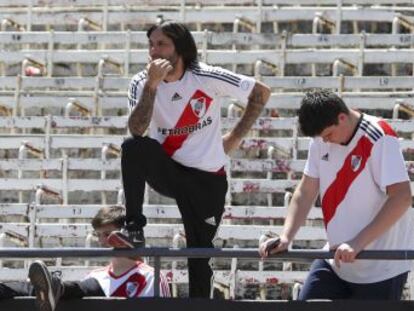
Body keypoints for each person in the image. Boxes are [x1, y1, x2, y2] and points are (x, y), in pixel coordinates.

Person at [117, 20, 270, 298]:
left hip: (206, 179)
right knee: (133, 148)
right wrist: (152, 86)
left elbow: (261, 91)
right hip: (170, 171)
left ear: (181, 48)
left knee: (199, 254)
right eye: (151, 45)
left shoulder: (205, 76)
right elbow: (137, 130)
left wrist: (234, 138)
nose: (154, 51)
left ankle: (199, 304)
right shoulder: (141, 82)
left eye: (162, 44)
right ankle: (135, 229)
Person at [259, 89, 413, 300]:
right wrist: (286, 236)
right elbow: (306, 191)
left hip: (381, 267)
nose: (326, 141)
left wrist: (357, 243)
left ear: (342, 117)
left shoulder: (381, 137)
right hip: (335, 260)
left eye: (329, 135)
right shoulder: (320, 139)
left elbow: (402, 197)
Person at [0, 206, 170, 311]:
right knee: (72, 289)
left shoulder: (151, 276)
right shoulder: (95, 276)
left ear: (125, 234)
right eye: (99, 235)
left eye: (108, 235)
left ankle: (56, 287)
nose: (103, 241)